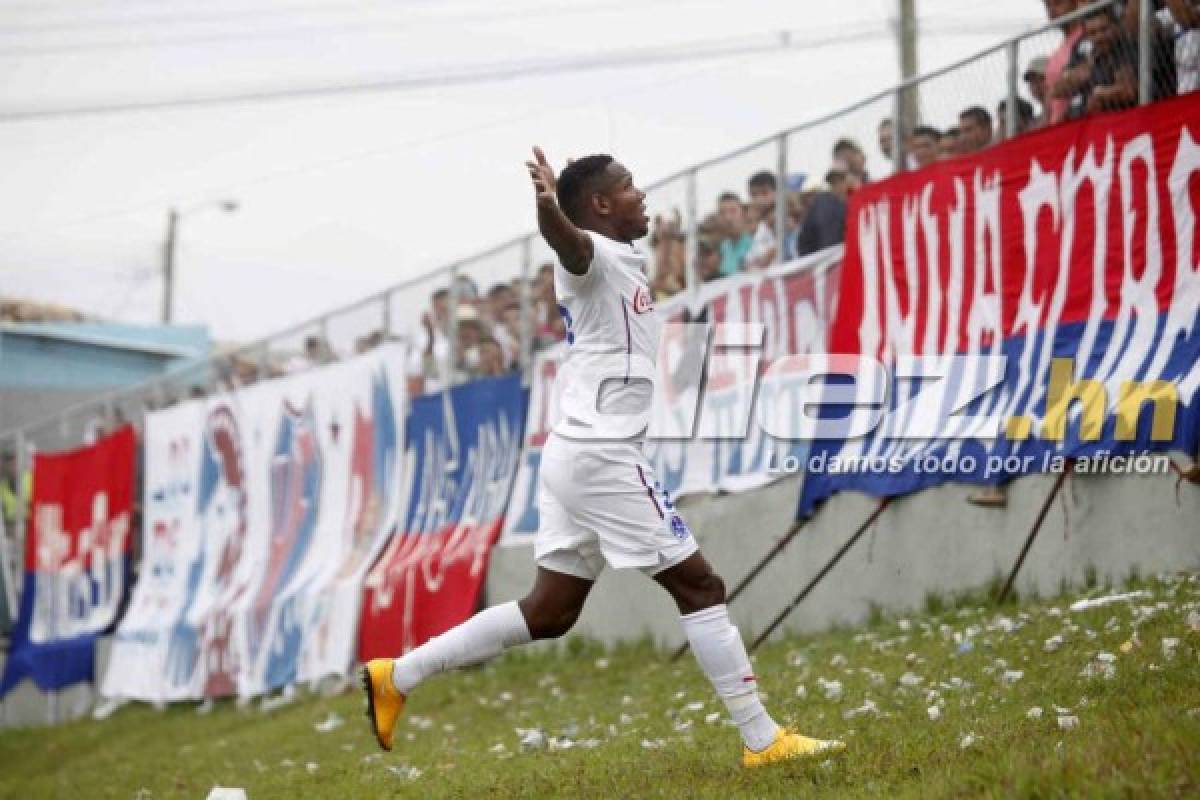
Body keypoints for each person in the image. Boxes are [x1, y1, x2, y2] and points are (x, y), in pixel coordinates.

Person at [361, 147, 845, 769]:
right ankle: (762, 738)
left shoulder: (624, 258)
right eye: (629, 186)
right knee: (701, 585)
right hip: (600, 455)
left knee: (550, 611)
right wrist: (548, 212)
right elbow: (569, 246)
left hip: (574, 453)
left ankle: (396, 676)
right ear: (600, 205)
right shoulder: (590, 255)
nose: (641, 193)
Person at [1045, 0, 1086, 125]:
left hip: (1077, 121)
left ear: (1076, 3)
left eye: (1058, 3)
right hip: (1058, 128)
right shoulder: (1056, 53)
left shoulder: (1087, 37)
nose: (1052, 10)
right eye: (1048, 5)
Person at [743, 171, 778, 269]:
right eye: (754, 195)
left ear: (776, 192)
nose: (759, 199)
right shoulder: (757, 228)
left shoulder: (786, 218)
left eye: (764, 193)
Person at [1024, 55, 1051, 127]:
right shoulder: (1032, 124)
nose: (1035, 86)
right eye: (1031, 81)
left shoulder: (1075, 113)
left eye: (1040, 79)